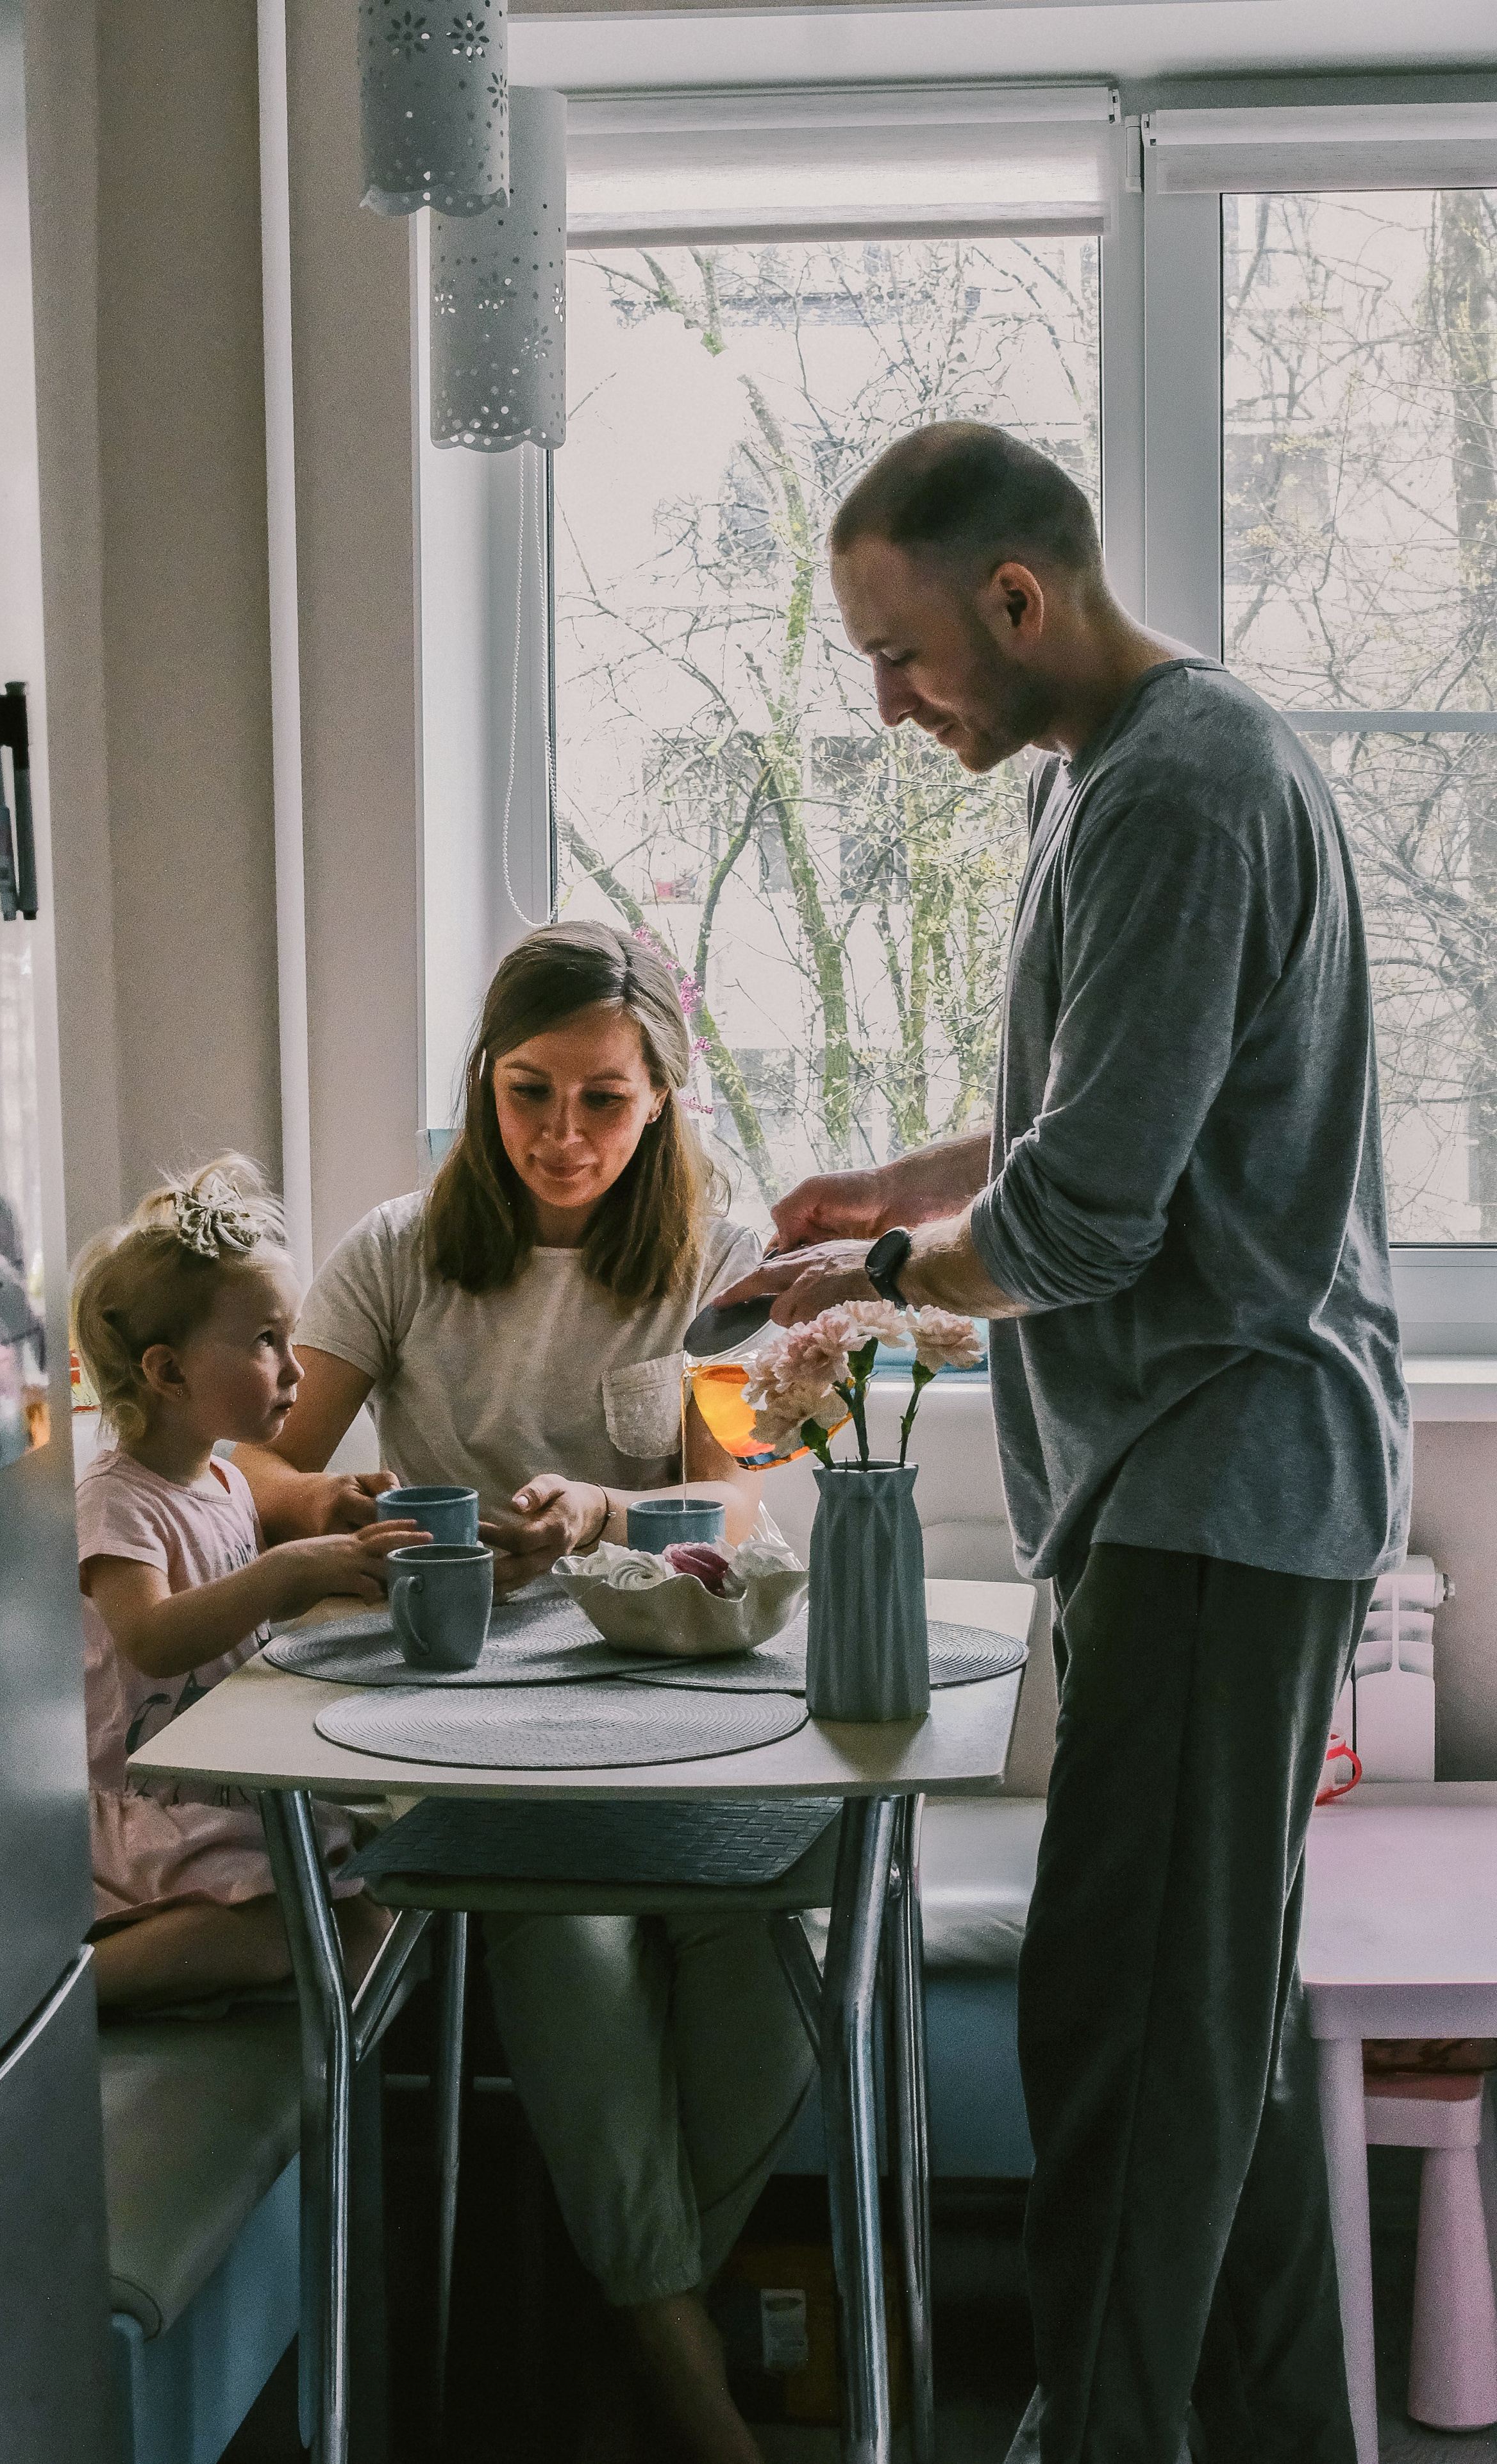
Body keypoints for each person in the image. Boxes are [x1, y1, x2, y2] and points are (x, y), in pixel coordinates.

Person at [721, 423, 1410, 2464]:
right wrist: (881, 1193)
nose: (887, 702)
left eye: (902, 654)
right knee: (1217, 2026)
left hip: (1223, 1479)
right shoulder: (1118, 778)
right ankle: (1282, 2428)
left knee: (1124, 2031)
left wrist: (890, 1290)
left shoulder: (1180, 795)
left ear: (1018, 600)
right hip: (1197, 1488)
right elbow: (1085, 1124)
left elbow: (1085, 1218)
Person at [235, 922, 813, 2464]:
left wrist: (606, 1511)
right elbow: (255, 1461)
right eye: (526, 1091)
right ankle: (684, 2394)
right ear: (482, 1085)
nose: (562, 1134)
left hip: (669, 1702)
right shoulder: (395, 1249)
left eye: (604, 1100)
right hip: (456, 1711)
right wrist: (347, 1505)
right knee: (565, 1930)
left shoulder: (716, 1256)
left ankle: (633, 2332)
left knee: (779, 1946)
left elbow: (741, 1509)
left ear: (664, 1097)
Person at [71, 1156, 398, 2011]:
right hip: (148, 1808)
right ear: (168, 1373)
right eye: (265, 1342)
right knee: (289, 1926)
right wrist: (282, 1575)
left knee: (373, 1924)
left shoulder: (223, 1483)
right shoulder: (117, 1501)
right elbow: (152, 1636)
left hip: (223, 1791)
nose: (296, 1368)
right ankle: (64, 2002)